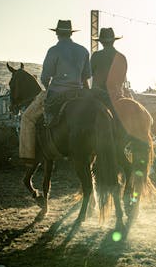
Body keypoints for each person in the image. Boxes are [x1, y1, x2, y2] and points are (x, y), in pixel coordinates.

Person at [19, 19, 91, 165]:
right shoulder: (83, 50)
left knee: (27, 117)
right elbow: (86, 76)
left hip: (57, 93)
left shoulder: (54, 50)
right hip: (78, 93)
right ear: (71, 33)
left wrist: (48, 86)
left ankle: (28, 157)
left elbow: (45, 77)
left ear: (57, 34)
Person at [90, 27, 127, 110]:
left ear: (101, 42)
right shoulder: (121, 57)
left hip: (98, 94)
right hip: (116, 95)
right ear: (113, 41)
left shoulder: (96, 56)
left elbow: (89, 73)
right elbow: (122, 78)